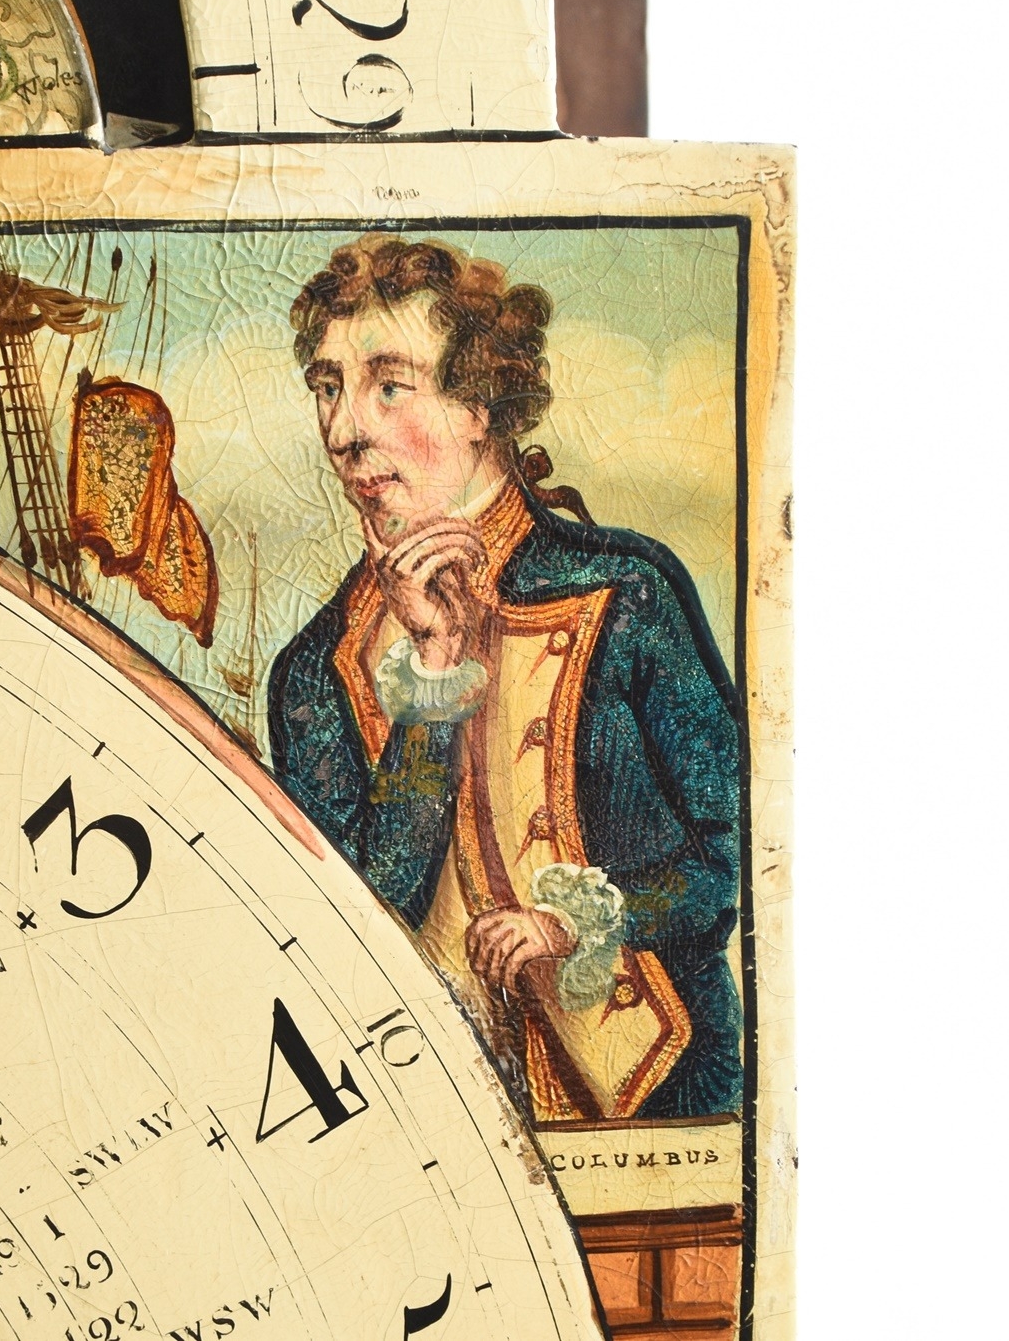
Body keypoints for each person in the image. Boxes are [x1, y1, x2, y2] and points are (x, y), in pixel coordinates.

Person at [267, 234, 743, 1120]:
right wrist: (431, 675)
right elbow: (353, 925)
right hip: (437, 1123)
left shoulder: (622, 593)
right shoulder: (314, 669)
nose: (343, 431)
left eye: (388, 385)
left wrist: (571, 924)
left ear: (480, 403)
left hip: (663, 1095)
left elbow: (733, 859)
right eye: (327, 387)